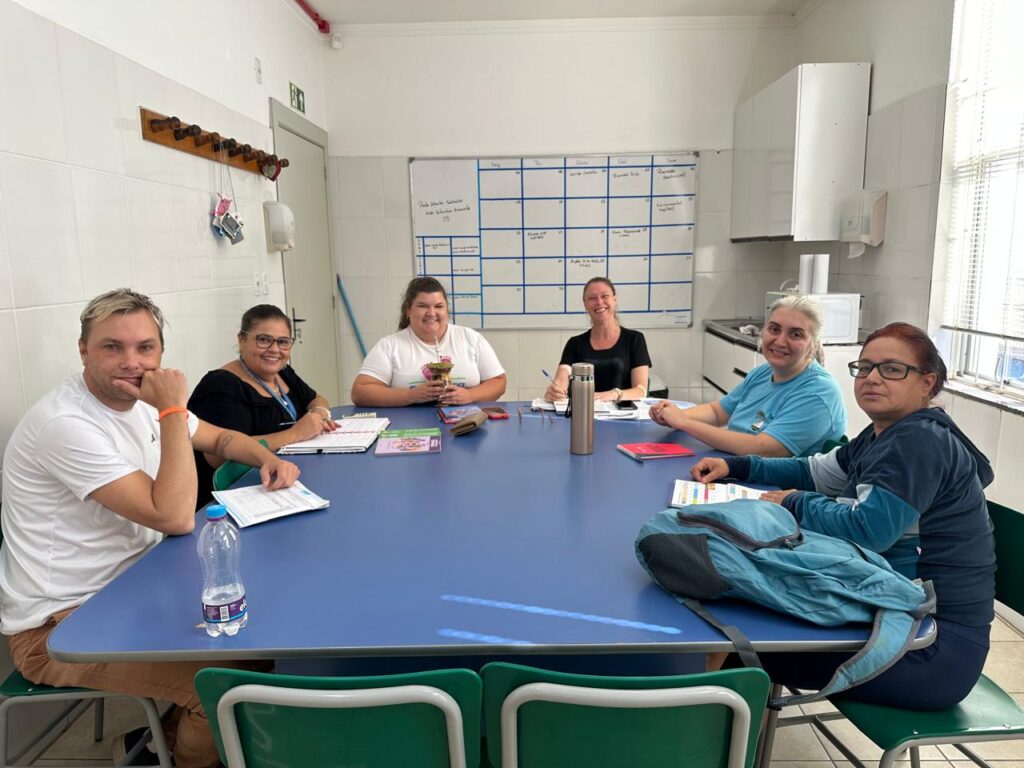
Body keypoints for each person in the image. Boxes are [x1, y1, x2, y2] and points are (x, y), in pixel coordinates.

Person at [0, 289, 301, 768]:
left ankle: (160, 745)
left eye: (145, 347)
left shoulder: (140, 403)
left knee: (260, 648)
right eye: (112, 347)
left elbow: (222, 438)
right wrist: (173, 411)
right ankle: (186, 753)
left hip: (134, 589)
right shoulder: (66, 424)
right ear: (83, 350)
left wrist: (266, 458)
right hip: (60, 626)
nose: (131, 362)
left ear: (160, 352)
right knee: (224, 689)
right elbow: (174, 516)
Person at [690, 322, 995, 710]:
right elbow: (814, 471)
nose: (872, 378)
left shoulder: (919, 441)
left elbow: (869, 532)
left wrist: (795, 502)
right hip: (897, 613)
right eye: (865, 367)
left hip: (931, 646)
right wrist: (738, 466)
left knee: (735, 640)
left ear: (927, 382)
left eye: (892, 369)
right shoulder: (884, 433)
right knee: (745, 598)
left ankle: (712, 736)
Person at [650, 295, 845, 457]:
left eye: (795, 334)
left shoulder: (819, 393)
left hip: (776, 488)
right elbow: (718, 412)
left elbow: (761, 449)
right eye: (774, 329)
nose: (780, 341)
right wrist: (672, 414)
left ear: (813, 344)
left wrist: (684, 422)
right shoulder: (762, 373)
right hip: (735, 467)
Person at [188, 304, 335, 506]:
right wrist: (295, 434)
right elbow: (217, 458)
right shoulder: (221, 385)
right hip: (234, 497)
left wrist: (319, 414)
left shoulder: (283, 373)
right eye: (264, 340)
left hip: (285, 478)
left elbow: (317, 399)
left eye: (283, 342)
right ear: (241, 339)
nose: (274, 349)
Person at [351, 277, 507, 407]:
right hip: (409, 427)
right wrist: (410, 396)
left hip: (465, 424)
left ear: (447, 310)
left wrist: (470, 396)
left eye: (438, 306)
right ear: (408, 310)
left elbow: (498, 382)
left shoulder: (470, 338)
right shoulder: (390, 345)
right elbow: (360, 392)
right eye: (422, 306)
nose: (431, 313)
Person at [544, 277, 651, 404]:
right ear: (585, 304)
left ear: (614, 299)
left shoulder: (635, 339)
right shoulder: (574, 344)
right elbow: (562, 378)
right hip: (581, 413)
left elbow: (641, 390)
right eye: (592, 298)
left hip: (623, 414)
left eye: (605, 296)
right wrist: (555, 392)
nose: (599, 302)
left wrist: (613, 394)